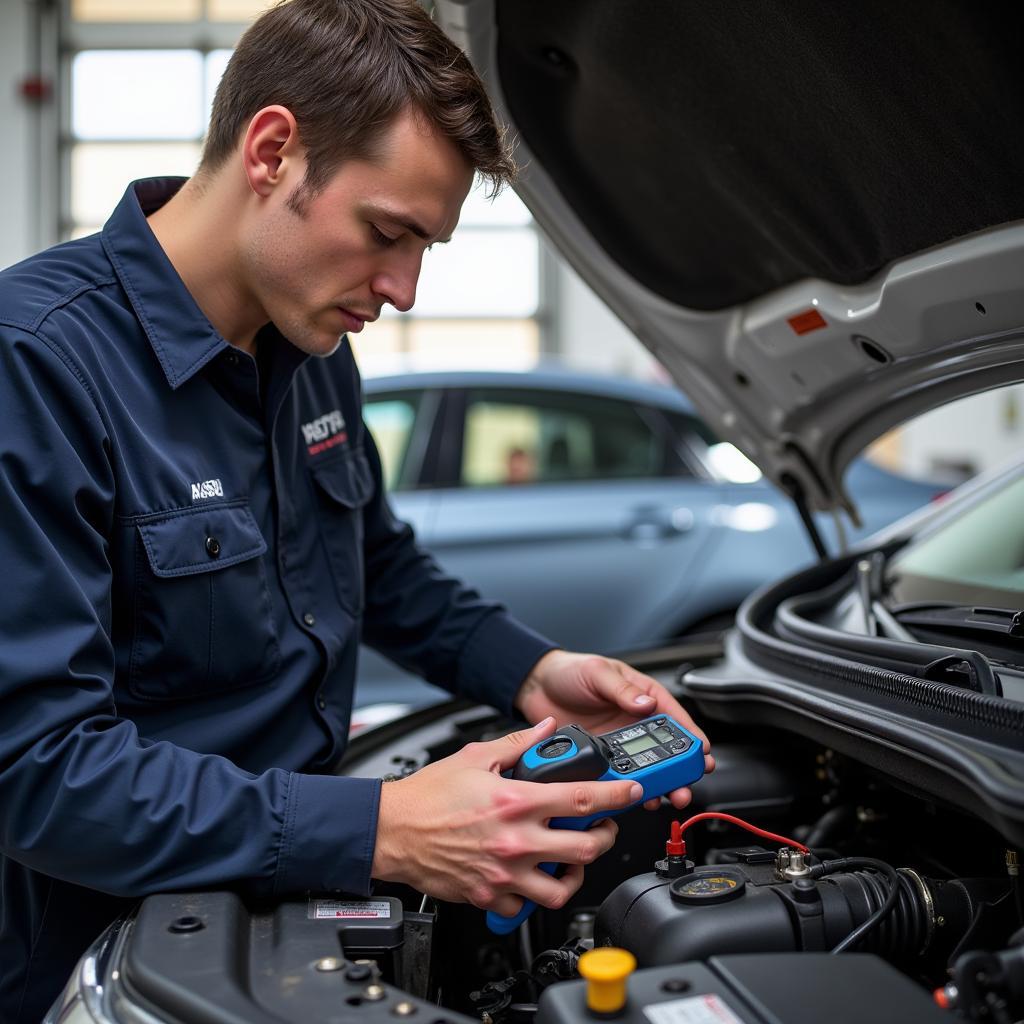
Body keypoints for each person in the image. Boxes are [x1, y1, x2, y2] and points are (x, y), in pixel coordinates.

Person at [0, 1, 712, 1018]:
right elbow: (40, 773)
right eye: (388, 233)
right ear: (273, 150)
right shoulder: (35, 366)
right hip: (110, 969)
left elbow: (374, 564)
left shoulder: (310, 351)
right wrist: (384, 827)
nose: (404, 289)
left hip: (292, 910)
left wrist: (535, 670)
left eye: (427, 248)